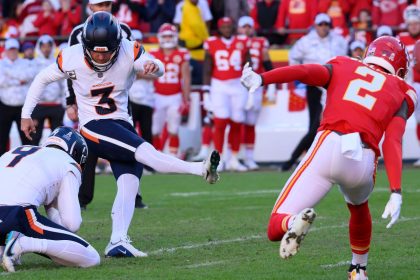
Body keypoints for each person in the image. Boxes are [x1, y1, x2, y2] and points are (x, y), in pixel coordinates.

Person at [21, 12, 220, 258]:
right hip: (94, 124)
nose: (101, 56)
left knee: (130, 180)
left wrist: (153, 67)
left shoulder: (128, 49)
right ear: (85, 46)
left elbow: (156, 67)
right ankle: (199, 169)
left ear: (117, 45)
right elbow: (42, 79)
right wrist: (26, 114)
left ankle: (117, 240)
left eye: (106, 51)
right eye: (96, 51)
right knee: (146, 152)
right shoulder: (71, 56)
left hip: (122, 122)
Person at [241, 36, 416, 279]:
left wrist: (262, 78)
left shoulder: (344, 64)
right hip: (363, 160)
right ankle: (358, 270)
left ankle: (293, 222)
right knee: (359, 207)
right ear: (399, 67)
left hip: (328, 144)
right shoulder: (403, 90)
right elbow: (394, 140)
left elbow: (304, 71)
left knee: (275, 226)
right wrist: (395, 191)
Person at [66, 0, 139, 210]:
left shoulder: (123, 29)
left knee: (130, 143)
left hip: (118, 96)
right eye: (99, 5)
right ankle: (83, 197)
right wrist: (71, 101)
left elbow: (132, 61)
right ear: (90, 8)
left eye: (107, 4)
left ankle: (134, 195)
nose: (103, 9)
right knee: (88, 147)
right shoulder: (78, 32)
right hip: (88, 96)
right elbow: (68, 70)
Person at [0, 126, 100, 272]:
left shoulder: (15, 151)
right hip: (15, 214)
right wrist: (51, 207)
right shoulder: (68, 163)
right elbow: (72, 224)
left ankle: (5, 248)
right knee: (91, 258)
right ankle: (22, 243)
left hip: (6, 216)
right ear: (77, 153)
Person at [282, 13, 347, 171]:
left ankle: (304, 159)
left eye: (327, 24)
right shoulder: (305, 41)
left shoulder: (338, 40)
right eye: (321, 24)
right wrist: (301, 78)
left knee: (324, 125)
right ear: (315, 25)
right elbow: (293, 59)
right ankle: (294, 159)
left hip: (334, 86)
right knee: (315, 126)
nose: (324, 27)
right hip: (315, 87)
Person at [203, 17, 250, 171]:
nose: (227, 29)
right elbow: (208, 67)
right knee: (220, 122)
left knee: (237, 121)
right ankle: (220, 159)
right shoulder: (211, 43)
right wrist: (206, 91)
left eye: (229, 26)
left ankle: (234, 158)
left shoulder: (242, 42)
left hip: (238, 84)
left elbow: (248, 66)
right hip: (219, 85)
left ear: (233, 27)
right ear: (219, 28)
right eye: (224, 26)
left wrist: (249, 89)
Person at [236, 16, 276, 170]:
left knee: (251, 123)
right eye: (243, 26)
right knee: (237, 122)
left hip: (255, 85)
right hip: (237, 85)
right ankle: (234, 156)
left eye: (248, 26)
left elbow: (267, 63)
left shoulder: (260, 42)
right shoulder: (234, 41)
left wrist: (271, 85)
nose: (246, 29)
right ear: (239, 28)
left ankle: (249, 157)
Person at [150, 23, 191, 157]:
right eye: (165, 36)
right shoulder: (153, 54)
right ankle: (157, 157)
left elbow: (185, 77)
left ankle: (172, 158)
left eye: (170, 36)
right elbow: (148, 77)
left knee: (173, 128)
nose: (167, 39)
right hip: (157, 96)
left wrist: (186, 98)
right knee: (155, 129)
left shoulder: (182, 54)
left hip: (175, 96)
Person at [0, 38, 36, 156]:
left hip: (22, 106)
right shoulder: (1, 63)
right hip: (5, 105)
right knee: (2, 137)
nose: (12, 52)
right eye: (10, 50)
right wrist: (19, 80)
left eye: (14, 49)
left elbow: (29, 76)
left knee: (26, 137)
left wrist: (9, 74)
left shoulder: (25, 62)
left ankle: (29, 162)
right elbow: (1, 81)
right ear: (6, 51)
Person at [29, 35, 65, 146]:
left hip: (56, 105)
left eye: (49, 46)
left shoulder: (57, 62)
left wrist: (63, 103)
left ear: (52, 47)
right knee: (35, 137)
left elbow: (63, 84)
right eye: (43, 46)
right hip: (39, 105)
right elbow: (29, 87)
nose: (46, 49)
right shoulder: (33, 64)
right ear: (39, 47)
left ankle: (57, 160)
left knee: (58, 138)